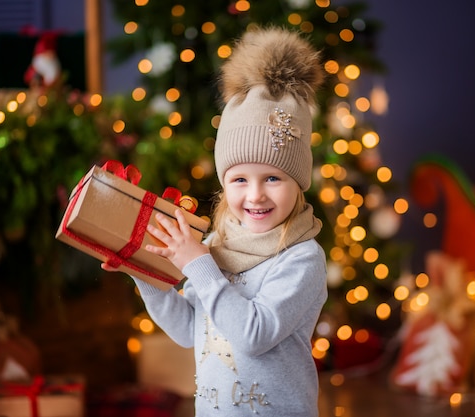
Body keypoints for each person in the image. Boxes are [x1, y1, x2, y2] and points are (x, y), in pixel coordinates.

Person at [105, 26, 327, 416]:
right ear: (225, 185)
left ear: (299, 182)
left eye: (273, 178)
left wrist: (199, 265)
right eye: (240, 180)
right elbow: (187, 330)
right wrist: (144, 273)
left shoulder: (301, 258)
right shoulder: (217, 247)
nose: (255, 195)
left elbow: (253, 334)